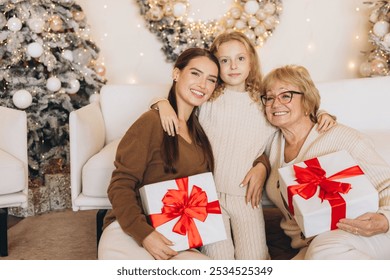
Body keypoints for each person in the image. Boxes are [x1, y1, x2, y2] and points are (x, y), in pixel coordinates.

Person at [152, 31, 336, 260]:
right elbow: (179, 101)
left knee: (255, 258)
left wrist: (322, 113)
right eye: (224, 60)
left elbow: (294, 111)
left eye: (240, 58)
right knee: (219, 260)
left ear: (251, 62)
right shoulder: (208, 99)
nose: (233, 66)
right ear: (215, 66)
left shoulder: (264, 100)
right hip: (208, 196)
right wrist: (161, 103)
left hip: (246, 196)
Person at [98, 47, 220, 260]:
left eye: (211, 80)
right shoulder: (151, 122)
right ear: (176, 74)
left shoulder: (201, 133)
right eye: (195, 73)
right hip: (131, 229)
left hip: (176, 235)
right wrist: (144, 234)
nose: (203, 85)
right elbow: (120, 185)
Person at [262, 64, 390, 259]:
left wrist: (385, 219)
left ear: (306, 101)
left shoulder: (342, 137)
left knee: (324, 249)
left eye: (285, 95)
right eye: (269, 97)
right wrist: (259, 165)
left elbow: (387, 183)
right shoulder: (272, 144)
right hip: (314, 246)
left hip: (366, 234)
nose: (275, 103)